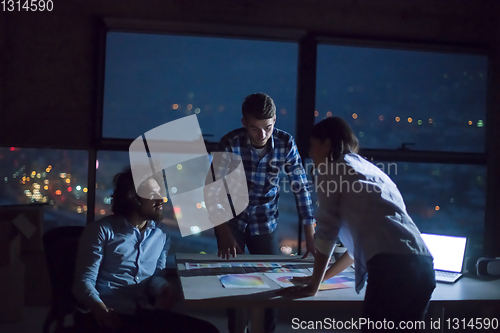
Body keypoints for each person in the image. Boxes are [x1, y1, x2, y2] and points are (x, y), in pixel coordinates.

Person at [279, 117, 436, 333]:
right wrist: (321, 277)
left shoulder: (332, 170)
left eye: (313, 146)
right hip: (423, 267)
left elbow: (326, 232)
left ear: (326, 145)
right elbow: (357, 249)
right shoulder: (371, 171)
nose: (311, 154)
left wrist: (313, 286)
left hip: (391, 270)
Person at [204, 93, 316, 333]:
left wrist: (310, 234)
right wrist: (222, 232)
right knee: (233, 285)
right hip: (232, 220)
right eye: (255, 128)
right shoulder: (230, 143)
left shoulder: (285, 143)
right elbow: (212, 191)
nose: (262, 135)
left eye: (267, 127)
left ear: (274, 120)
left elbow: (301, 188)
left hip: (266, 221)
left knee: (272, 286)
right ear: (244, 123)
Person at [72, 167, 219, 333]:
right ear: (133, 198)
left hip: (141, 311)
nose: (161, 199)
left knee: (207, 330)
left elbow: (155, 277)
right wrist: (99, 309)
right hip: (108, 313)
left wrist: (164, 288)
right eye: (152, 194)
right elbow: (83, 283)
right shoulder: (101, 230)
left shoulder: (161, 233)